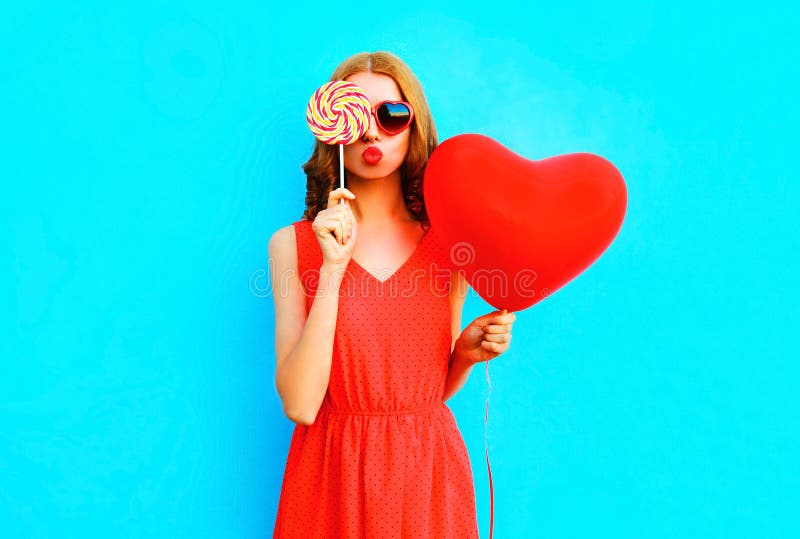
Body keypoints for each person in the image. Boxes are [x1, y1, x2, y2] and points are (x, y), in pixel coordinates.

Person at [268, 51, 516, 538]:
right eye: (357, 115)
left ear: (414, 124)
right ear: (333, 125)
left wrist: (462, 357)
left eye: (391, 115)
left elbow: (424, 395)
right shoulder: (292, 246)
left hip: (427, 470)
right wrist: (333, 269)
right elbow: (300, 404)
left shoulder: (449, 243)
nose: (372, 133)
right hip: (330, 474)